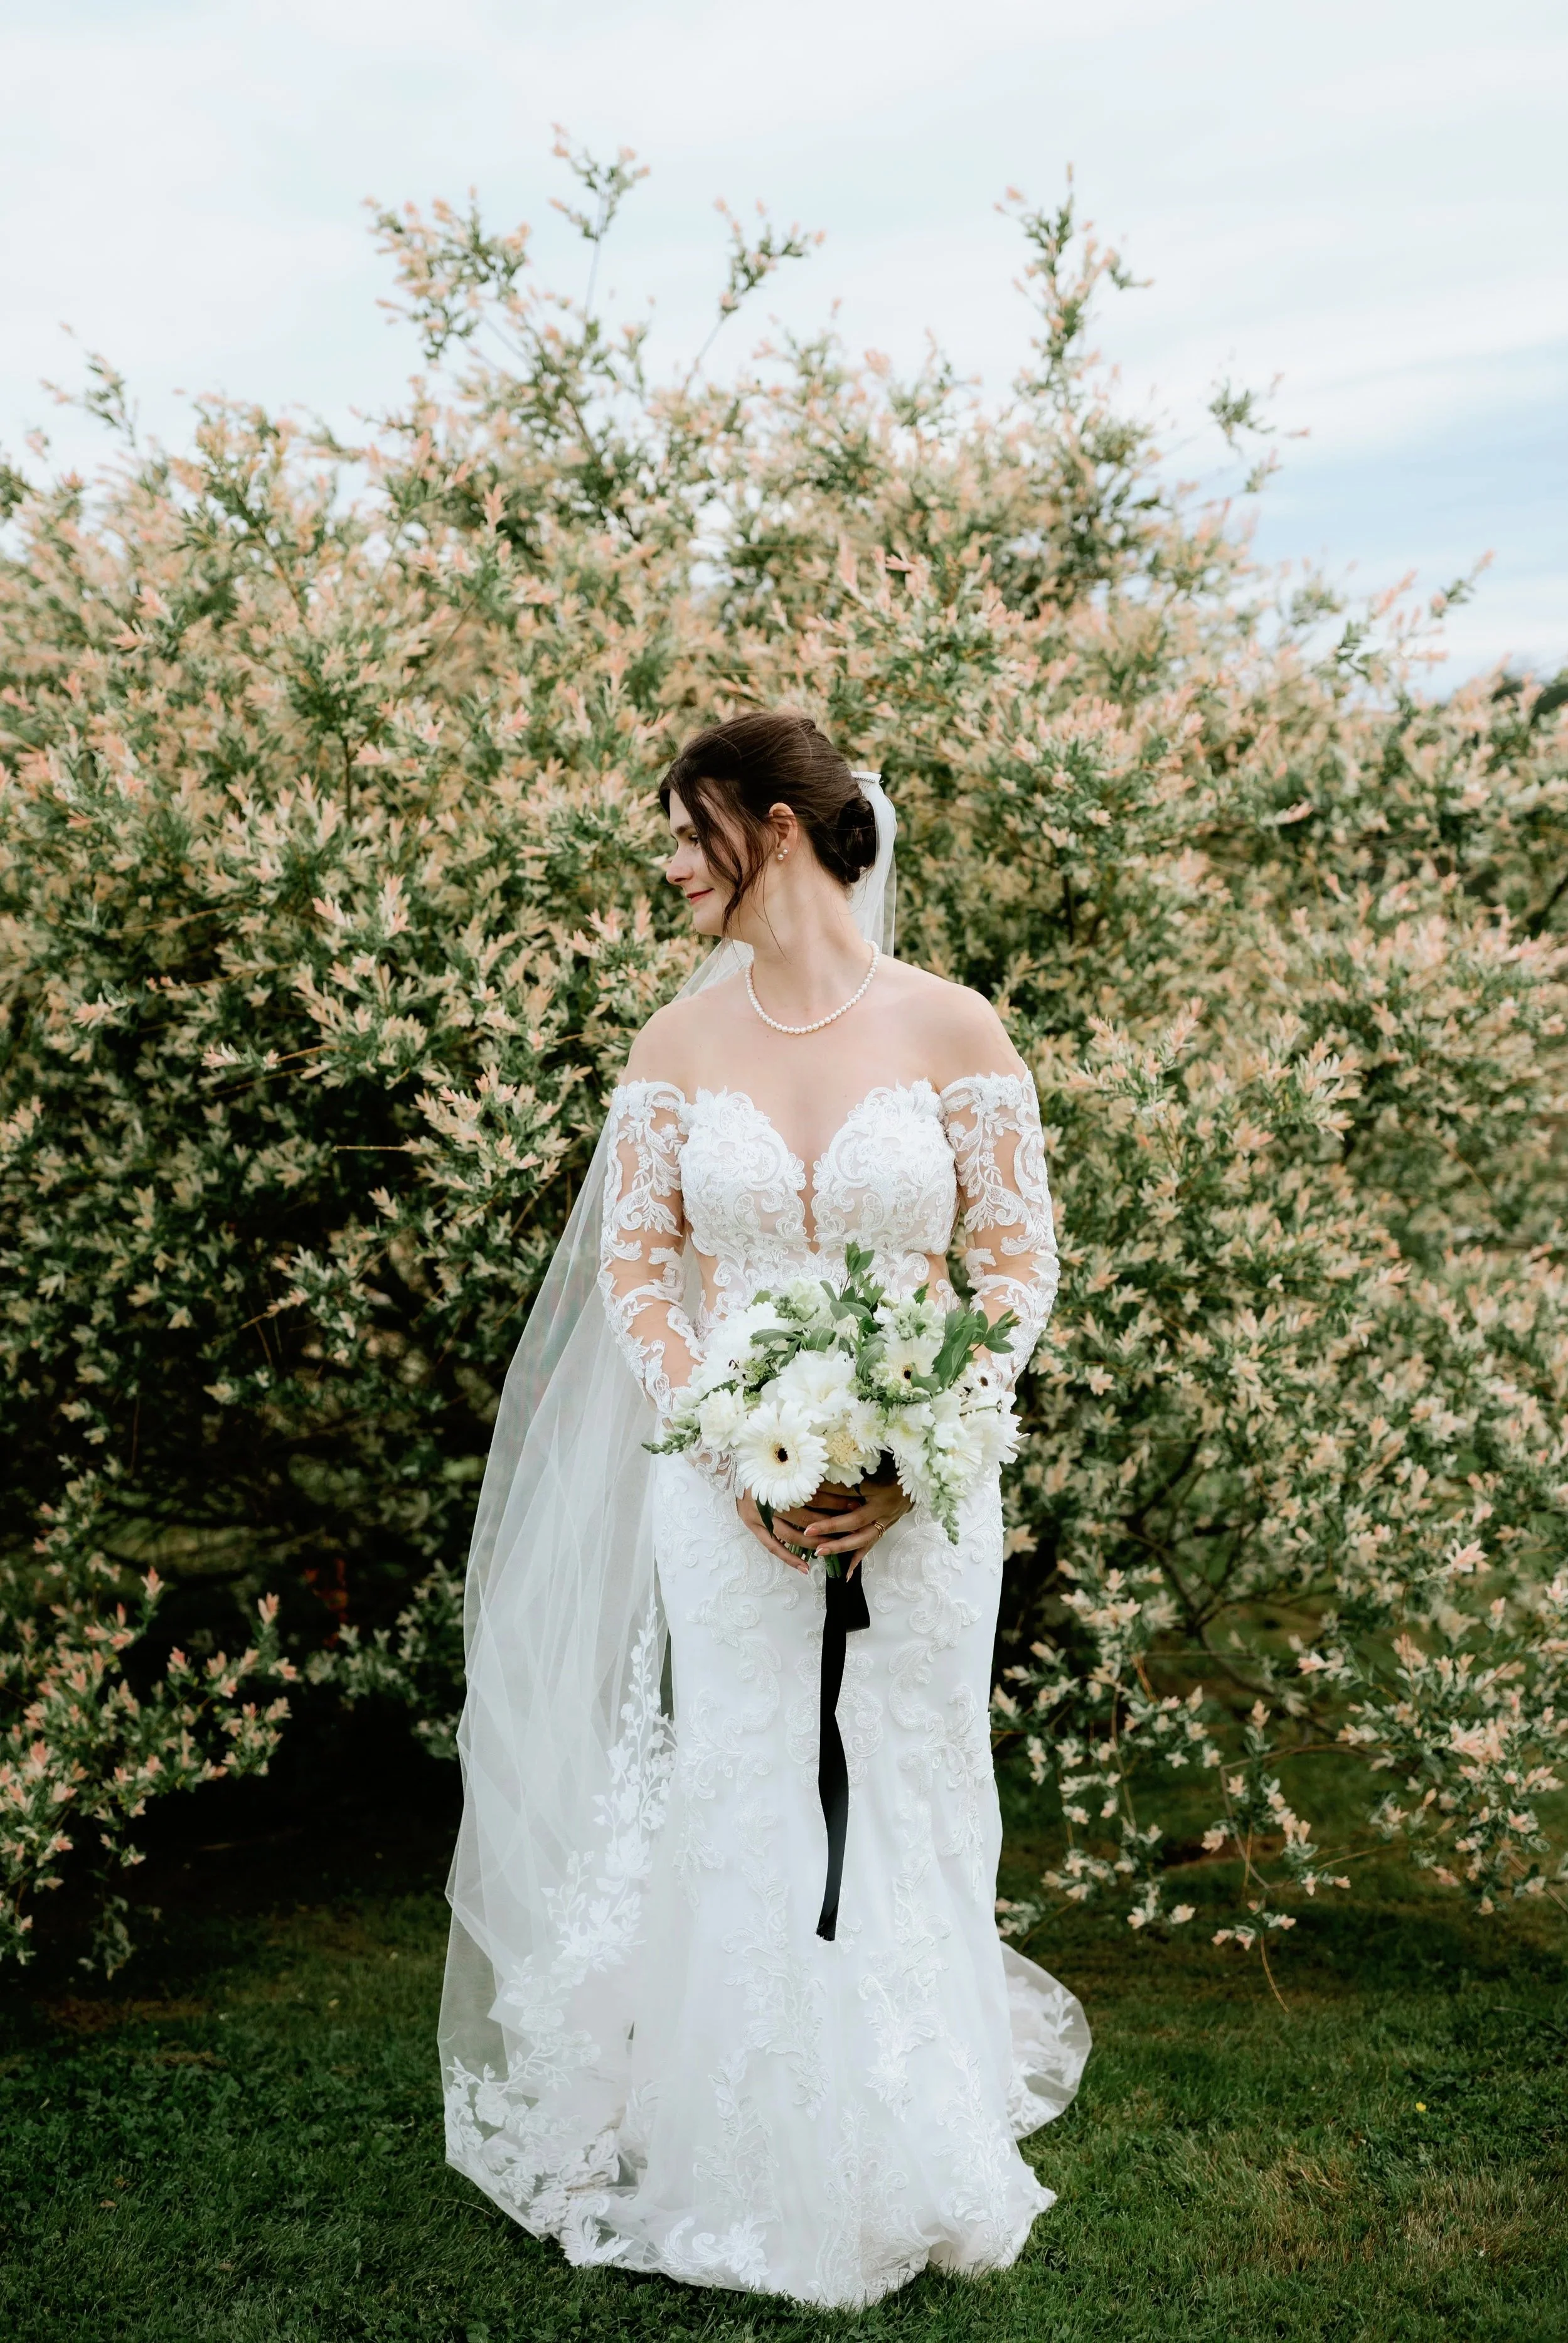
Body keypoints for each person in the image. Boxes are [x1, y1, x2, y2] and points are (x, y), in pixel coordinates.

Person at [440, 712, 1090, 2308]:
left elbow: (1014, 1268)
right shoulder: (678, 1047)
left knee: (910, 1765)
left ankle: (911, 2125)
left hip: (920, 1499)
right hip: (724, 1491)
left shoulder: (953, 1029)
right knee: (747, 1780)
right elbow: (641, 1270)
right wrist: (732, 1443)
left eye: (687, 832)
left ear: (777, 830)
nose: (667, 865)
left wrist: (918, 1432)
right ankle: (740, 2145)